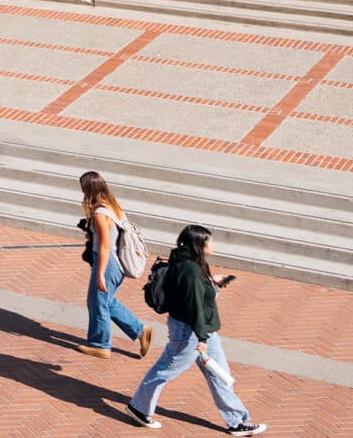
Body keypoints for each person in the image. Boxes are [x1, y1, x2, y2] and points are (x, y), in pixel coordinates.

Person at [126, 224, 268, 433]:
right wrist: (201, 340)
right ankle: (139, 408)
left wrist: (212, 282)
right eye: (209, 240)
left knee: (220, 375)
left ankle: (236, 421)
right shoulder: (190, 269)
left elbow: (196, 294)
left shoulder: (190, 263)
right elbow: (194, 307)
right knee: (165, 369)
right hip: (190, 333)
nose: (213, 244)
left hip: (201, 330)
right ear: (198, 244)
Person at [76, 169, 150, 358]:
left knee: (97, 302)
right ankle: (140, 331)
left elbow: (105, 247)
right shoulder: (112, 206)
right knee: (107, 302)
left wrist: (100, 273)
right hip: (115, 262)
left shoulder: (100, 214)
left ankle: (100, 345)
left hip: (109, 263)